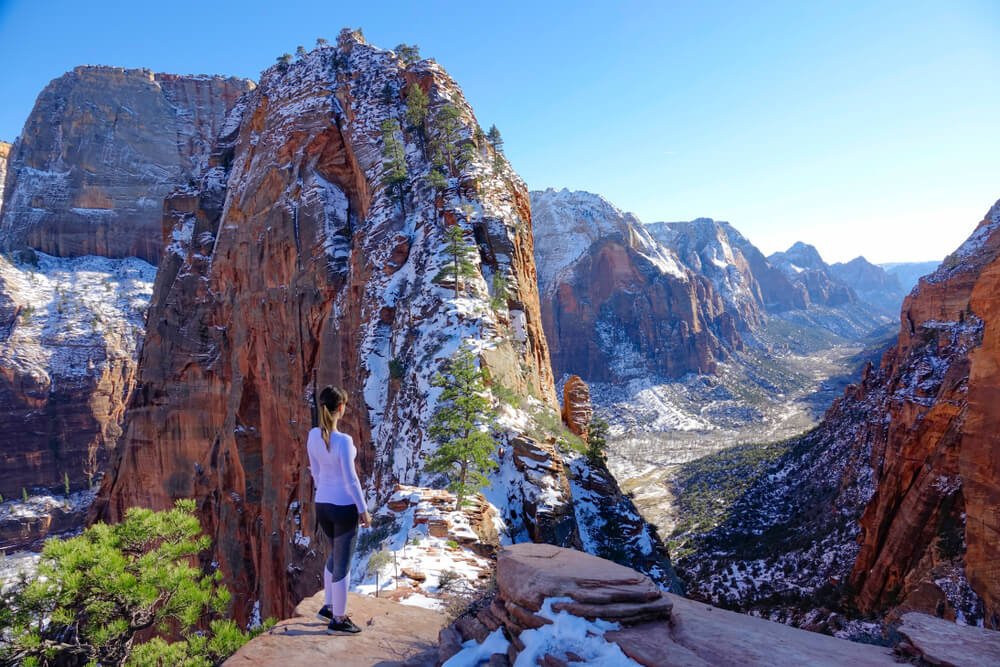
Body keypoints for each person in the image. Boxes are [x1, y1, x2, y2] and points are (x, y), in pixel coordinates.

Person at [307, 385, 372, 635]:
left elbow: (315, 471)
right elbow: (351, 480)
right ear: (341, 408)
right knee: (343, 563)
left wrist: (324, 490)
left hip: (322, 505)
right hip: (343, 507)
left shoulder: (313, 436)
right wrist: (363, 509)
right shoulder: (344, 441)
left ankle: (328, 606)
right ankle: (338, 619)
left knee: (334, 553)